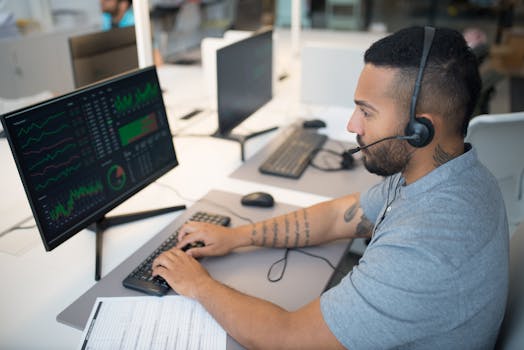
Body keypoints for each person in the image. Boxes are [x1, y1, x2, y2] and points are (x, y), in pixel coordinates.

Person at [152, 26, 509, 349]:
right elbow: (342, 216)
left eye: (366, 113)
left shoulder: (427, 243)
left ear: (421, 129)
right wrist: (237, 237)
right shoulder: (446, 171)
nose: (353, 125)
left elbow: (285, 338)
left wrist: (199, 285)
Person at [99, 0, 164, 66]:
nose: (101, 1)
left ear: (124, 3)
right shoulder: (105, 19)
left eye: (108, 0)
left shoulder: (136, 24)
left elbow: (154, 51)